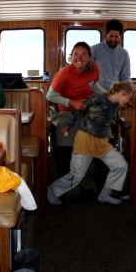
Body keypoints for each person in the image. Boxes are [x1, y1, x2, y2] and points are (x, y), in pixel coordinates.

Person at [47, 81, 136, 206]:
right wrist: (68, 126)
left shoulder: (115, 105)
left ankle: (104, 194)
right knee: (76, 175)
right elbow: (78, 110)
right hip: (85, 140)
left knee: (120, 165)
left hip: (101, 142)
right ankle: (52, 191)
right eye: (130, 99)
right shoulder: (98, 99)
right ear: (123, 93)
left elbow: (104, 118)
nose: (130, 103)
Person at [46, 41, 102, 177]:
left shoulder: (95, 69)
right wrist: (72, 102)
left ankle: (100, 183)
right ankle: (63, 184)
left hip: (88, 110)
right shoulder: (63, 74)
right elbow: (50, 96)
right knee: (64, 149)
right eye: (76, 54)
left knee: (102, 143)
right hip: (66, 112)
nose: (79, 58)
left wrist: (108, 95)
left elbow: (94, 86)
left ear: (89, 57)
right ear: (71, 57)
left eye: (83, 54)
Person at [91, 19, 131, 91]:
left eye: (116, 37)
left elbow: (126, 77)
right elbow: (88, 73)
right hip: (97, 92)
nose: (113, 39)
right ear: (106, 34)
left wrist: (129, 91)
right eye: (111, 36)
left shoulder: (124, 54)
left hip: (115, 93)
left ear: (120, 36)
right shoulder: (93, 50)